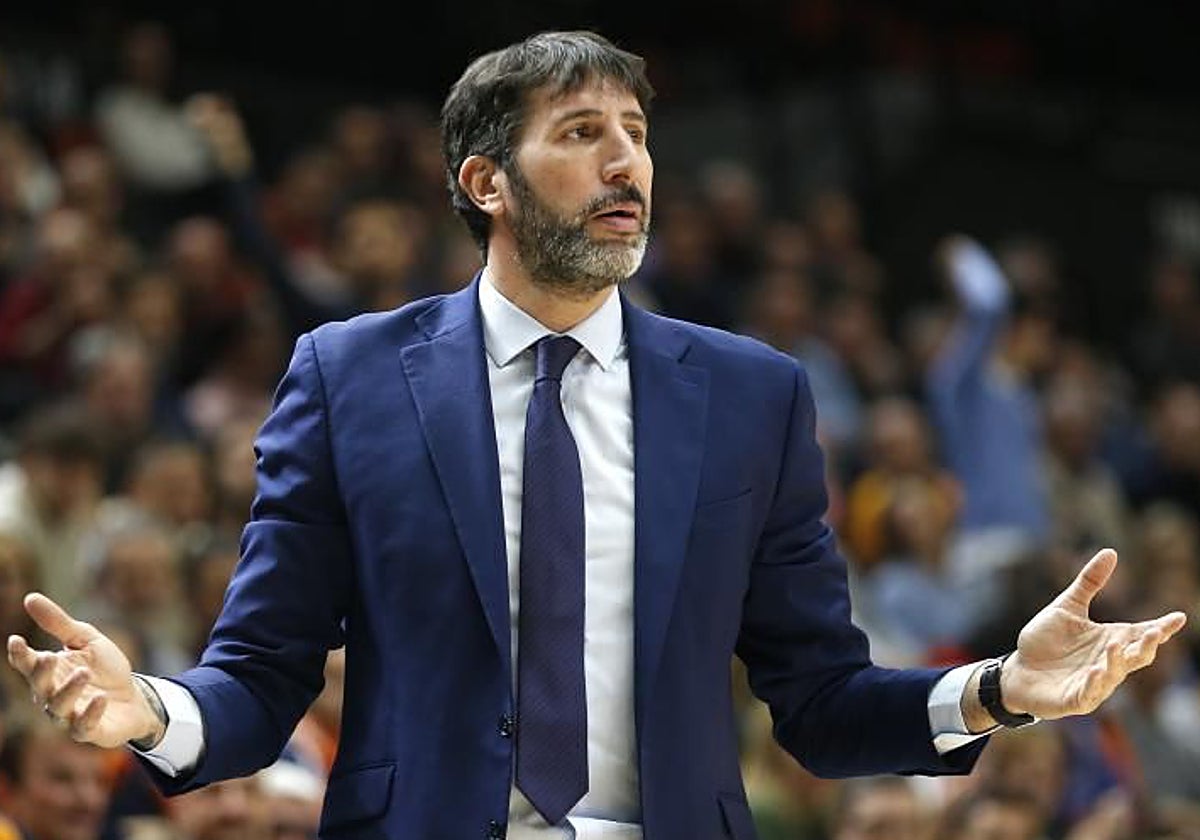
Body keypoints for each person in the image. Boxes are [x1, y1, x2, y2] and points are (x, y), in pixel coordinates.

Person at [5, 31, 1187, 840]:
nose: (626, 160)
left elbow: (820, 703)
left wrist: (998, 691)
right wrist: (146, 715)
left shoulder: (751, 395)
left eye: (635, 131)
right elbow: (261, 680)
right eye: (580, 132)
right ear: (485, 182)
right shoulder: (349, 374)